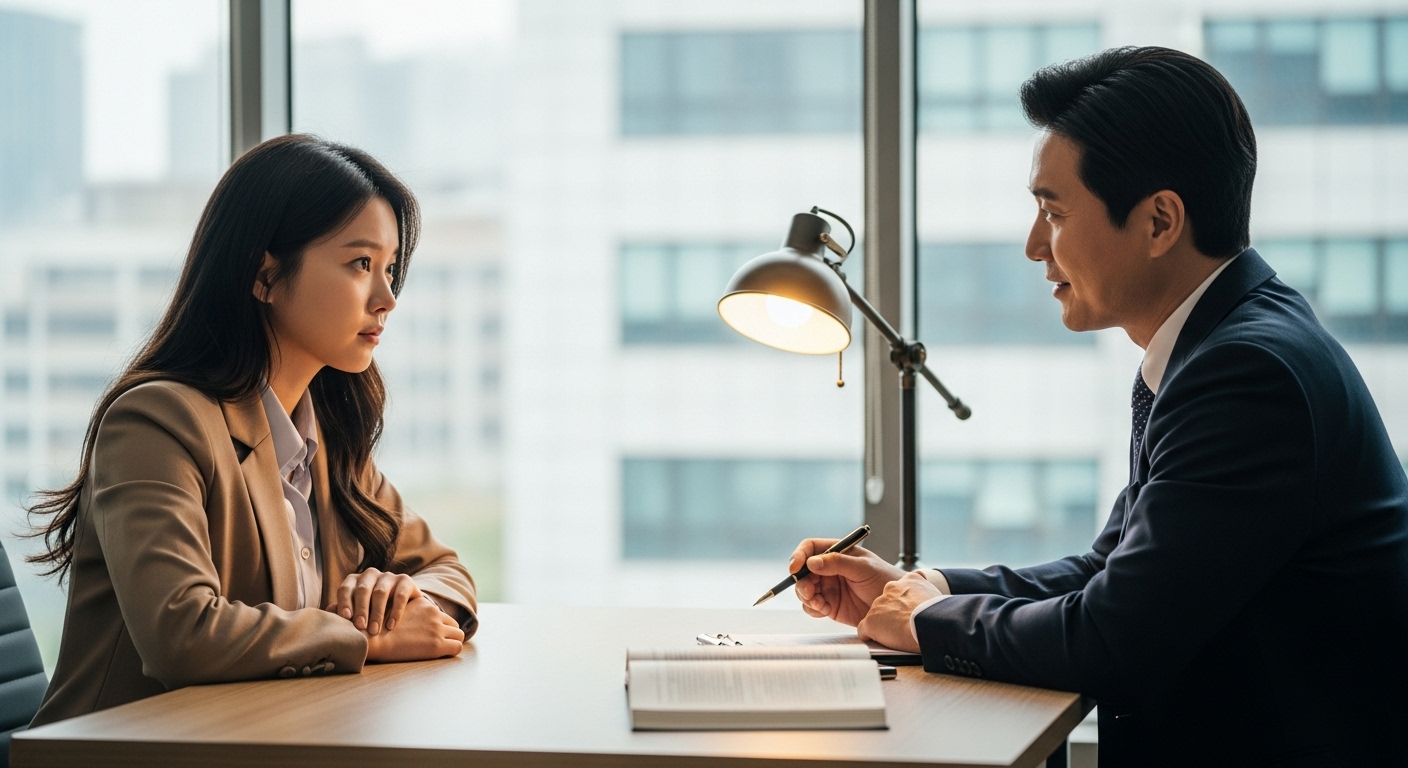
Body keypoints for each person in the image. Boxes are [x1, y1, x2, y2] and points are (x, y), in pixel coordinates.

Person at [788, 47, 1408, 766]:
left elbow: (1116, 637)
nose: (1032, 247)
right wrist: (926, 589)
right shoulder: (1216, 345)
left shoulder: (1247, 374)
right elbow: (1110, 569)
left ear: (1159, 222)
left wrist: (930, 624)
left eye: (1052, 211)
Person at [27, 134, 477, 726]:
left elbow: (447, 571)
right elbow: (181, 632)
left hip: (264, 741)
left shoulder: (326, 436)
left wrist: (400, 602)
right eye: (360, 264)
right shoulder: (156, 423)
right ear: (263, 275)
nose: (387, 298)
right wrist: (361, 636)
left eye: (390, 269)